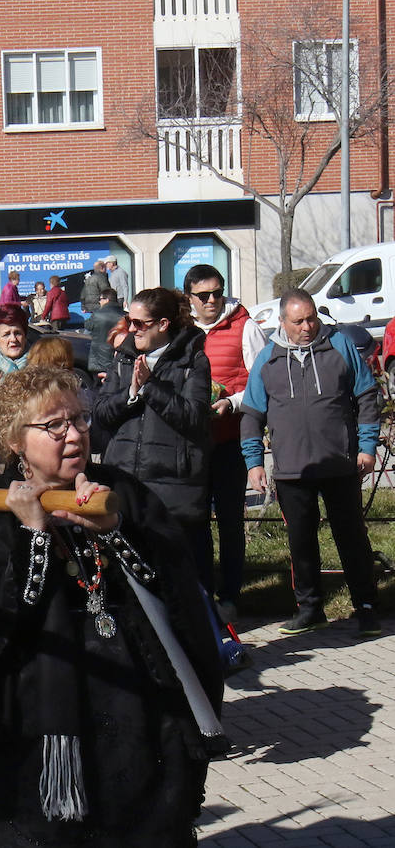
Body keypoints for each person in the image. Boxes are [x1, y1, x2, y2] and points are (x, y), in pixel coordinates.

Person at [0, 366, 225, 846]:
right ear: (16, 440)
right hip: (33, 707)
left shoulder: (121, 491)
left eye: (79, 420)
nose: (74, 434)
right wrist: (33, 535)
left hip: (132, 698)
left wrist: (115, 530)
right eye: (53, 425)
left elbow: (177, 588)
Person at [241, 288, 382, 636]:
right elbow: (251, 413)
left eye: (312, 318)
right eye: (299, 321)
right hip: (292, 469)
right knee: (301, 542)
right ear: (282, 322)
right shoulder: (267, 359)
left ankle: (366, 608)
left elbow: (367, 395)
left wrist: (366, 447)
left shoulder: (339, 346)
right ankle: (309, 608)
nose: (308, 326)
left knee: (351, 539)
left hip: (340, 463)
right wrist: (254, 462)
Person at [94, 288, 212, 592]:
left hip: (173, 486)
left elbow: (194, 419)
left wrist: (150, 387)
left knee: (181, 583)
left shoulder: (193, 360)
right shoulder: (124, 357)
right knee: (130, 582)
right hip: (125, 482)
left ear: (162, 324)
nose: (132, 330)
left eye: (140, 323)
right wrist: (131, 394)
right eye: (129, 321)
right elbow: (102, 414)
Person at [186, 264, 267, 620]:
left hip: (231, 438)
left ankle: (232, 595)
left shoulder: (244, 326)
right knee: (195, 521)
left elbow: (263, 383)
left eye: (218, 292)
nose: (212, 300)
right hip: (192, 443)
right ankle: (202, 596)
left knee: (231, 521)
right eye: (204, 295)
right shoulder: (181, 331)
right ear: (190, 297)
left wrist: (231, 403)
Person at [85, 289, 126, 380]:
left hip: (98, 360)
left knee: (98, 390)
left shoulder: (97, 314)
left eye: (100, 299)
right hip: (119, 359)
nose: (99, 302)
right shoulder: (125, 315)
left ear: (107, 300)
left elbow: (88, 326)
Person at [0, 304, 31, 383]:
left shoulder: (41, 373)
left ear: (25, 336)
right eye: (6, 335)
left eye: (17, 333)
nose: (13, 339)